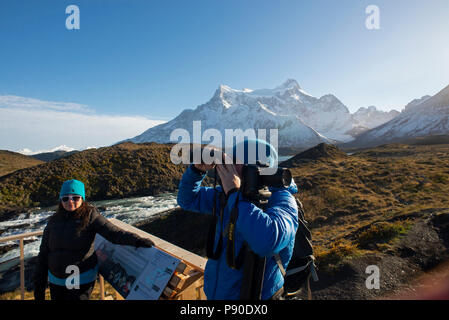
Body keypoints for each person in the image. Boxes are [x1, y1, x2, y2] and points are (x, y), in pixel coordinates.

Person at [177, 139, 299, 300]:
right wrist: (196, 171)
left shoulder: (282, 199)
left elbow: (267, 242)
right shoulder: (231, 194)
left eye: (235, 162)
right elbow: (187, 200)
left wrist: (234, 194)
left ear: (258, 169)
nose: (229, 167)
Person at [33, 179, 154, 300]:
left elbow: (113, 233)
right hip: (56, 281)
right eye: (65, 198)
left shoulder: (90, 215)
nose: (70, 201)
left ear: (82, 198)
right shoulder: (53, 220)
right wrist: (39, 287)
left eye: (75, 197)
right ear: (61, 200)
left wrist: (137, 240)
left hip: (79, 278)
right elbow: (44, 253)